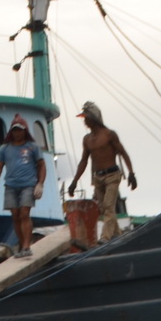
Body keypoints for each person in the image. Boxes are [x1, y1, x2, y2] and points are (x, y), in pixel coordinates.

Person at [68, 101, 136, 241]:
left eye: (86, 118)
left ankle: (105, 237)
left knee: (108, 206)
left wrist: (131, 173)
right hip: (97, 178)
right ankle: (117, 235)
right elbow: (84, 161)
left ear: (94, 118)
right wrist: (74, 181)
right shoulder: (87, 139)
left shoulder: (109, 135)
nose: (85, 121)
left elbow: (123, 153)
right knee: (104, 209)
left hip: (112, 176)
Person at [0, 114, 46, 258]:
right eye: (14, 130)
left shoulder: (33, 147)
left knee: (24, 213)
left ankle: (26, 246)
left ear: (25, 131)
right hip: (11, 186)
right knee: (15, 216)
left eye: (19, 130)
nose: (17, 133)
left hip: (28, 185)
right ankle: (21, 244)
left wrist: (40, 184)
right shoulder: (4, 149)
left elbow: (42, 165)